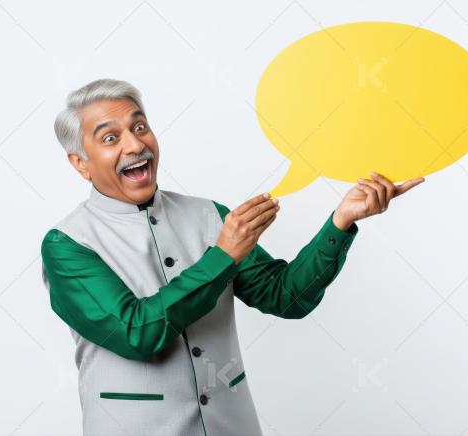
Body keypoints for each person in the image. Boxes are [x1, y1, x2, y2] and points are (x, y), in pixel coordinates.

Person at [40, 78, 425, 435]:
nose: (135, 145)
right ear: (80, 163)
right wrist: (224, 254)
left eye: (140, 127)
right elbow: (136, 332)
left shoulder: (210, 214)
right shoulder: (67, 245)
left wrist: (340, 222)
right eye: (111, 138)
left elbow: (285, 297)